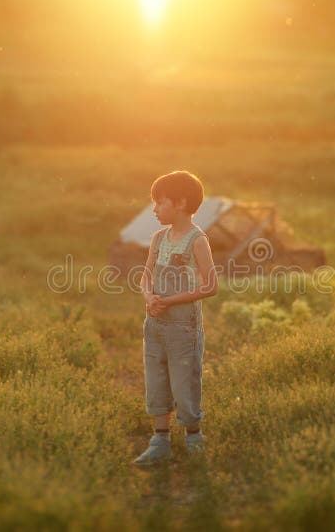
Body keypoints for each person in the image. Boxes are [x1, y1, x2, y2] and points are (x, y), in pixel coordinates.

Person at [134, 170, 218, 466]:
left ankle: (194, 438)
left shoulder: (197, 240)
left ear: (181, 203)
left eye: (160, 203)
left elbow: (210, 285)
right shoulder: (159, 237)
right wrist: (149, 297)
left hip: (183, 328)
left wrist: (168, 301)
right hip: (154, 324)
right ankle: (160, 441)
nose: (154, 209)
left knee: (185, 383)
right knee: (156, 379)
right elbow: (145, 274)